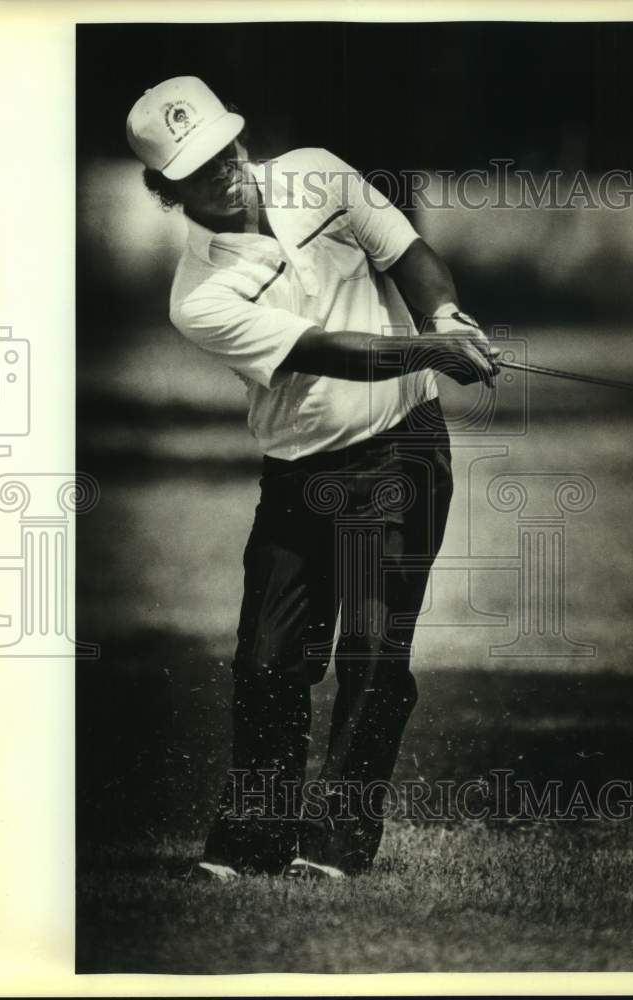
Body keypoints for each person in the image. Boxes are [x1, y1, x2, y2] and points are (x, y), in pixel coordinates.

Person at [126, 76, 499, 879]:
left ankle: (334, 848)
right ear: (165, 190)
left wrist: (441, 318)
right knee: (267, 660)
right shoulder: (199, 296)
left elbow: (407, 253)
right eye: (199, 167)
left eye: (226, 148)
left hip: (401, 448)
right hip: (298, 471)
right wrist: (431, 354)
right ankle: (255, 841)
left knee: (370, 652)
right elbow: (324, 349)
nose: (226, 170)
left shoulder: (319, 174)